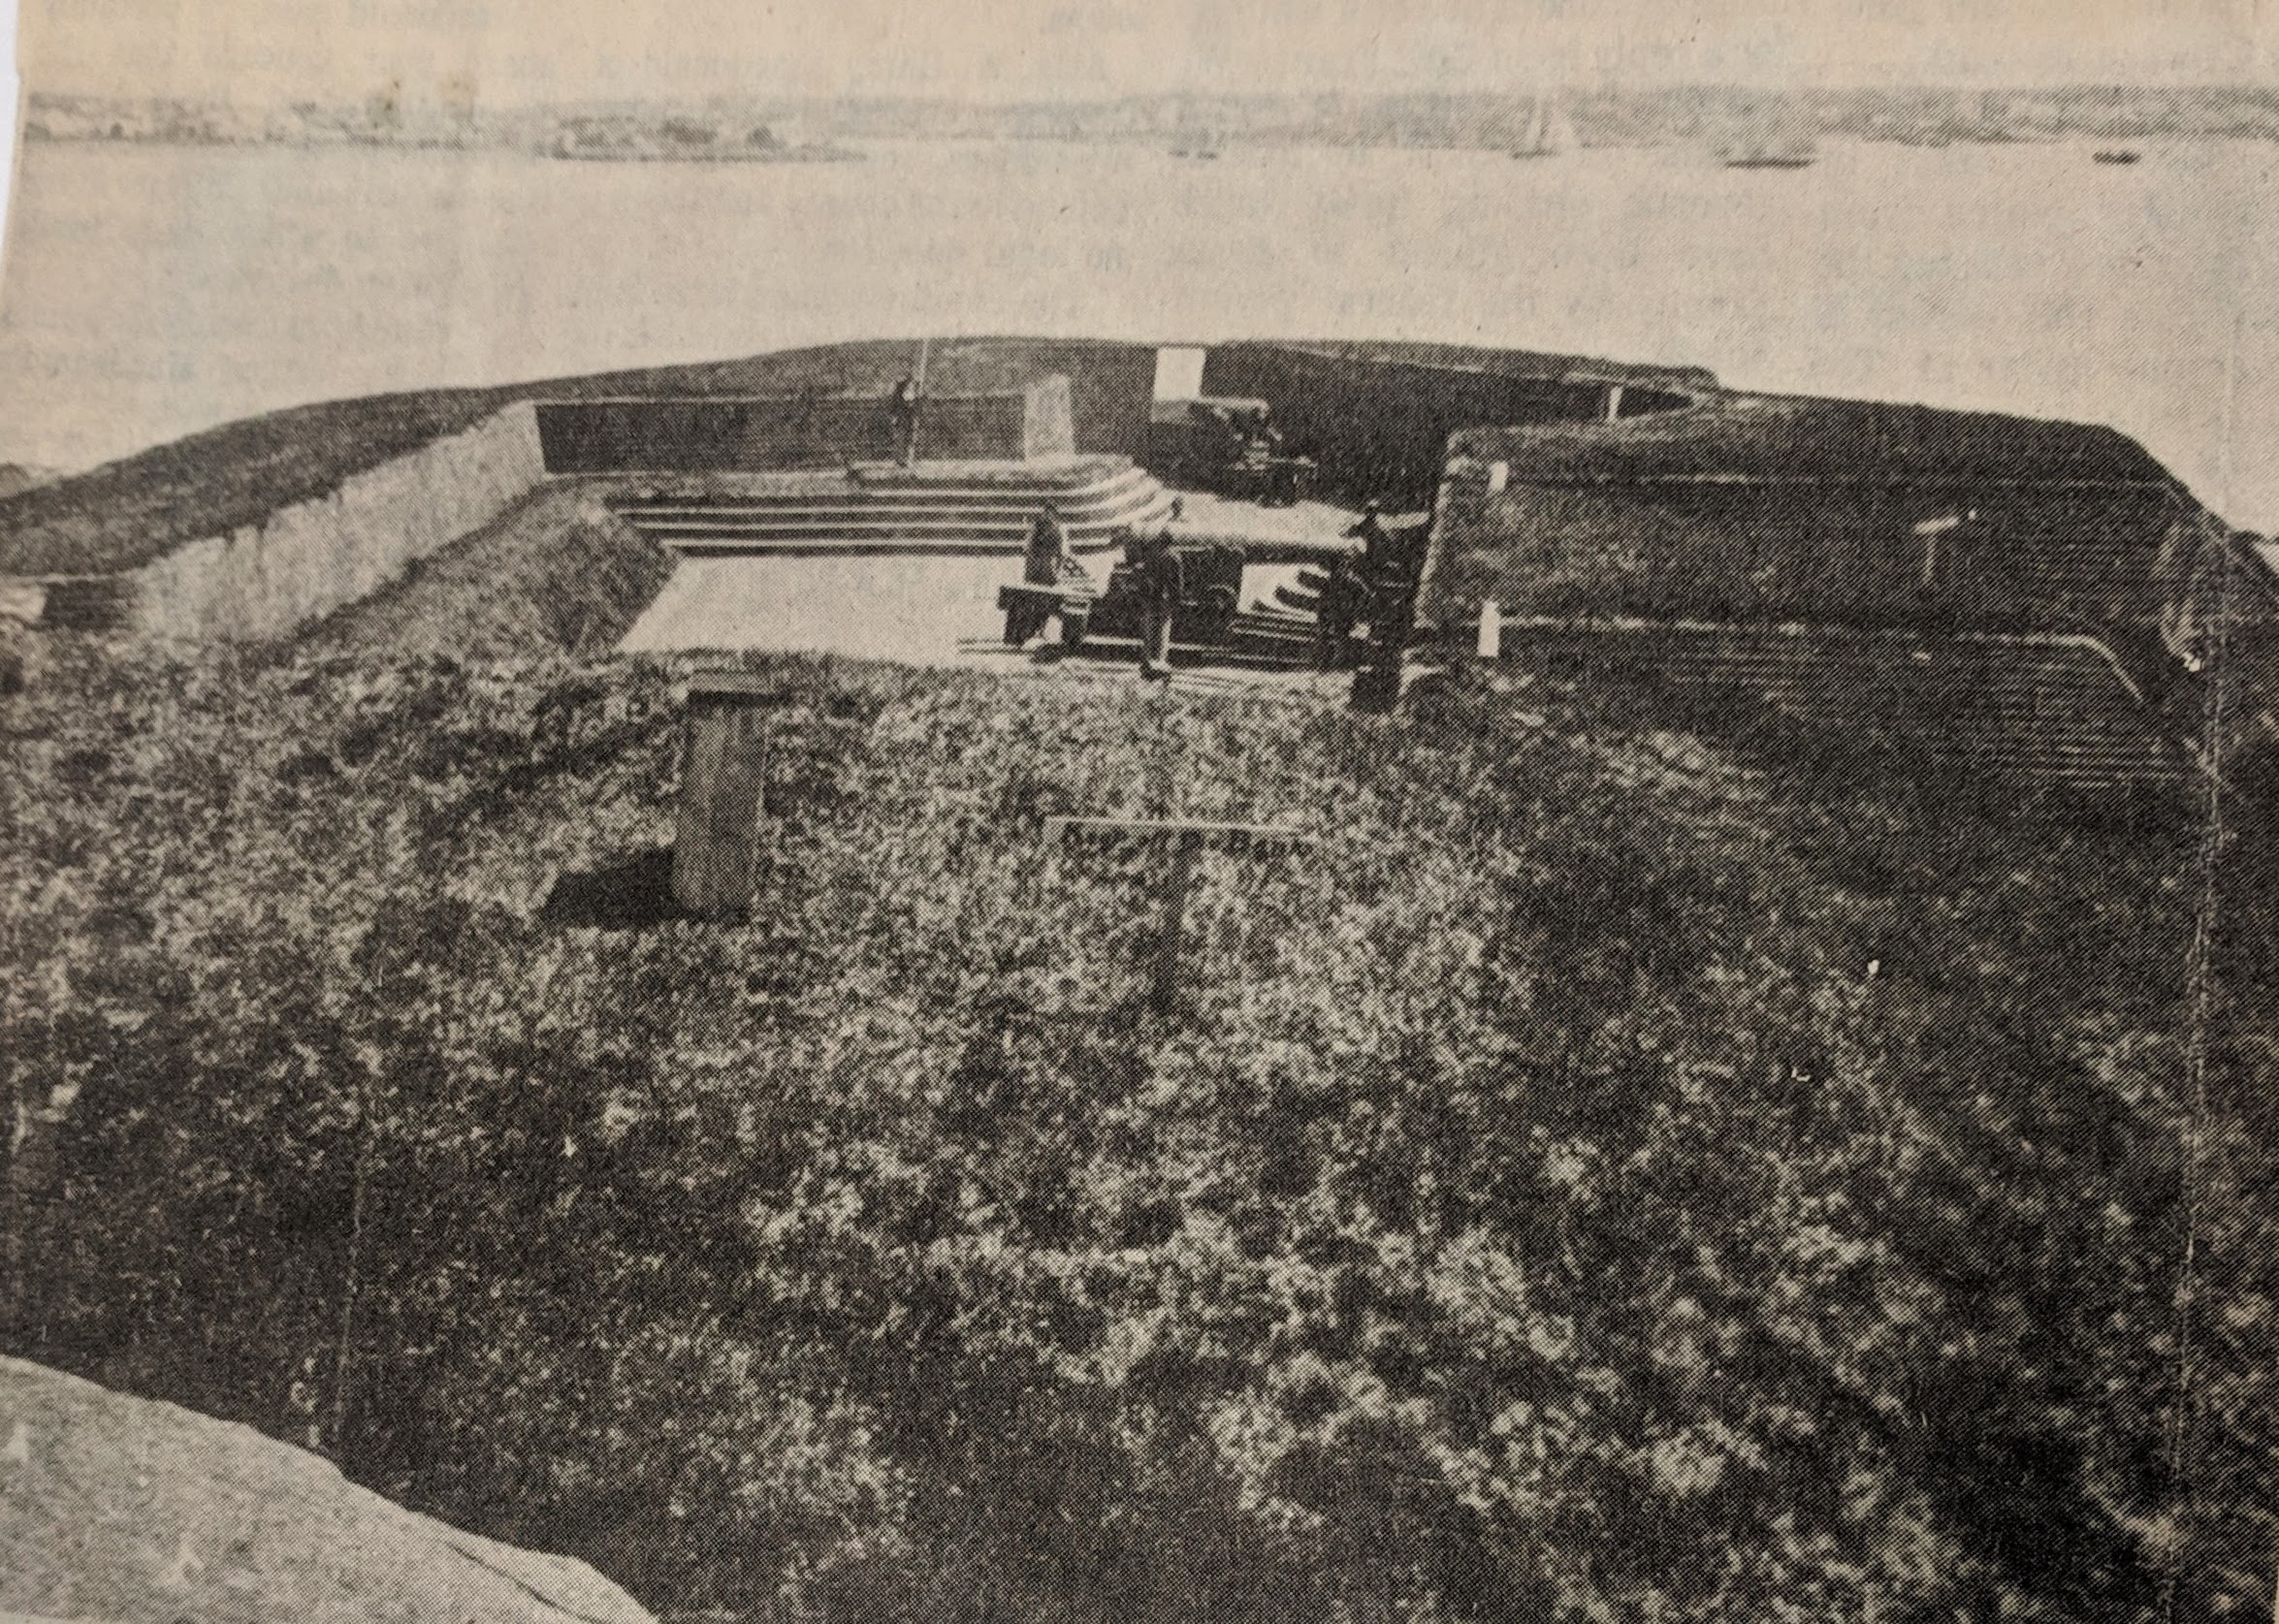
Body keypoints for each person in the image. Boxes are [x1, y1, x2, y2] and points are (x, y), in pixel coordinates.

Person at [1134, 529, 1185, 681]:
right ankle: (1159, 663)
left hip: (1152, 598)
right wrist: (1176, 599)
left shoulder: (1154, 555)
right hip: (1165, 599)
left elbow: (1145, 575)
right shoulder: (1174, 557)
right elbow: (1177, 582)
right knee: (1162, 631)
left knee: (1149, 629)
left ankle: (1147, 662)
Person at [890, 372, 921, 466]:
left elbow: (918, 408)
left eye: (912, 385)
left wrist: (915, 411)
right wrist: (894, 417)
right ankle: (899, 459)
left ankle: (909, 459)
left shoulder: (916, 395)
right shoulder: (898, 396)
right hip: (902, 419)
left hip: (911, 419)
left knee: (911, 439)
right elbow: (894, 407)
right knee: (900, 439)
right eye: (909, 385)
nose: (910, 386)